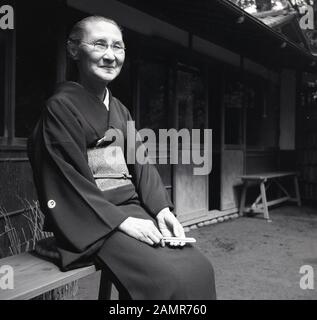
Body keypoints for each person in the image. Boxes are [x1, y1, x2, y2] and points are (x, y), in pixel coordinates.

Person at [28, 15, 216, 300]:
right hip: (93, 219)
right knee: (168, 279)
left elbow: (141, 164)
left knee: (200, 268)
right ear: (74, 50)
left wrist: (163, 211)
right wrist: (120, 222)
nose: (110, 55)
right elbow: (65, 178)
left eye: (118, 47)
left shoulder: (119, 109)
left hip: (135, 212)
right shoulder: (60, 107)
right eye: (100, 44)